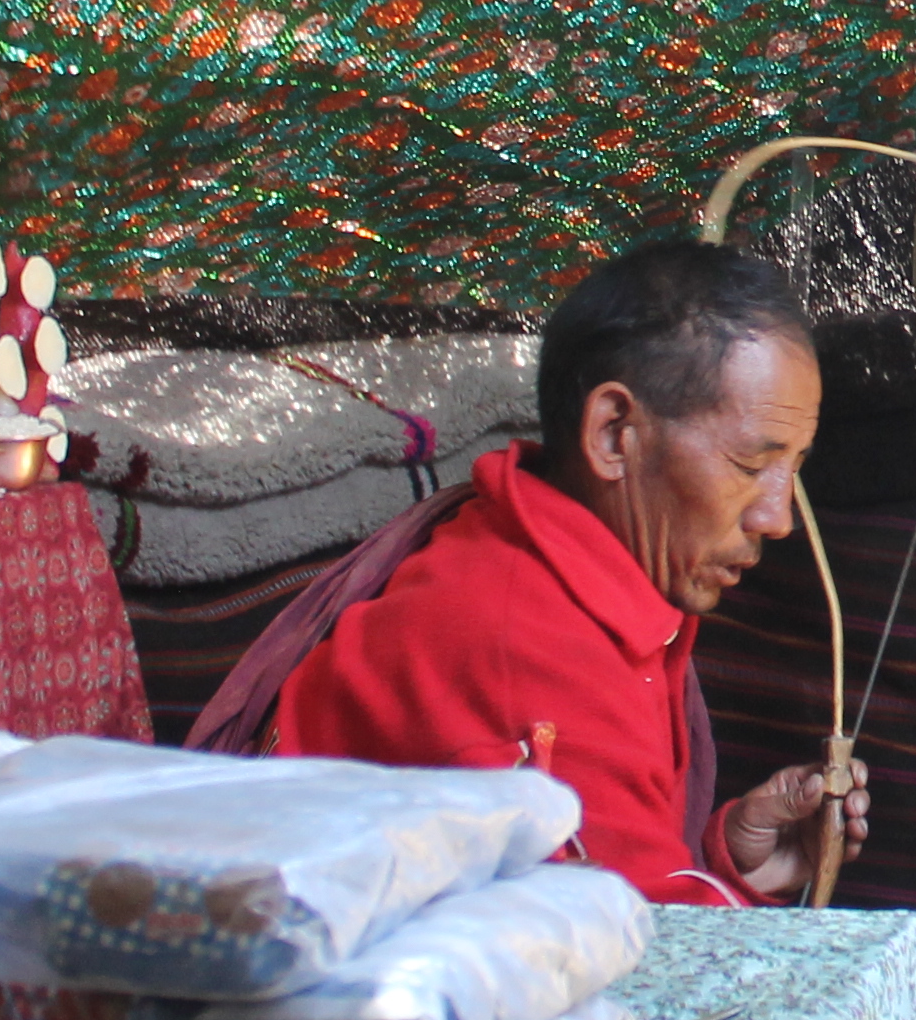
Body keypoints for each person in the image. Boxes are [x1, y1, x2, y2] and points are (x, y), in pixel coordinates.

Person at [263, 240, 865, 908]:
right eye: (752, 466)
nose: (778, 518)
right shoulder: (523, 642)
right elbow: (640, 962)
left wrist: (735, 867)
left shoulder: (576, 579)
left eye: (795, 467)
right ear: (613, 434)